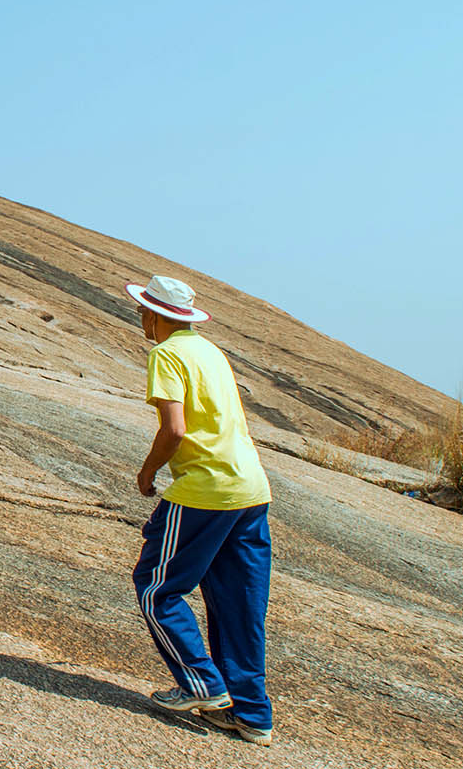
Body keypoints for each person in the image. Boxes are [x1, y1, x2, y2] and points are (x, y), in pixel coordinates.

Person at [126, 275, 274, 746]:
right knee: (238, 603)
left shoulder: (165, 354)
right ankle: (252, 716)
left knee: (156, 588)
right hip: (250, 488)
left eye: (143, 310)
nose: (140, 317)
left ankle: (201, 685)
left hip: (204, 491)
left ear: (154, 314)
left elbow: (174, 429)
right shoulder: (211, 352)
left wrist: (149, 472)